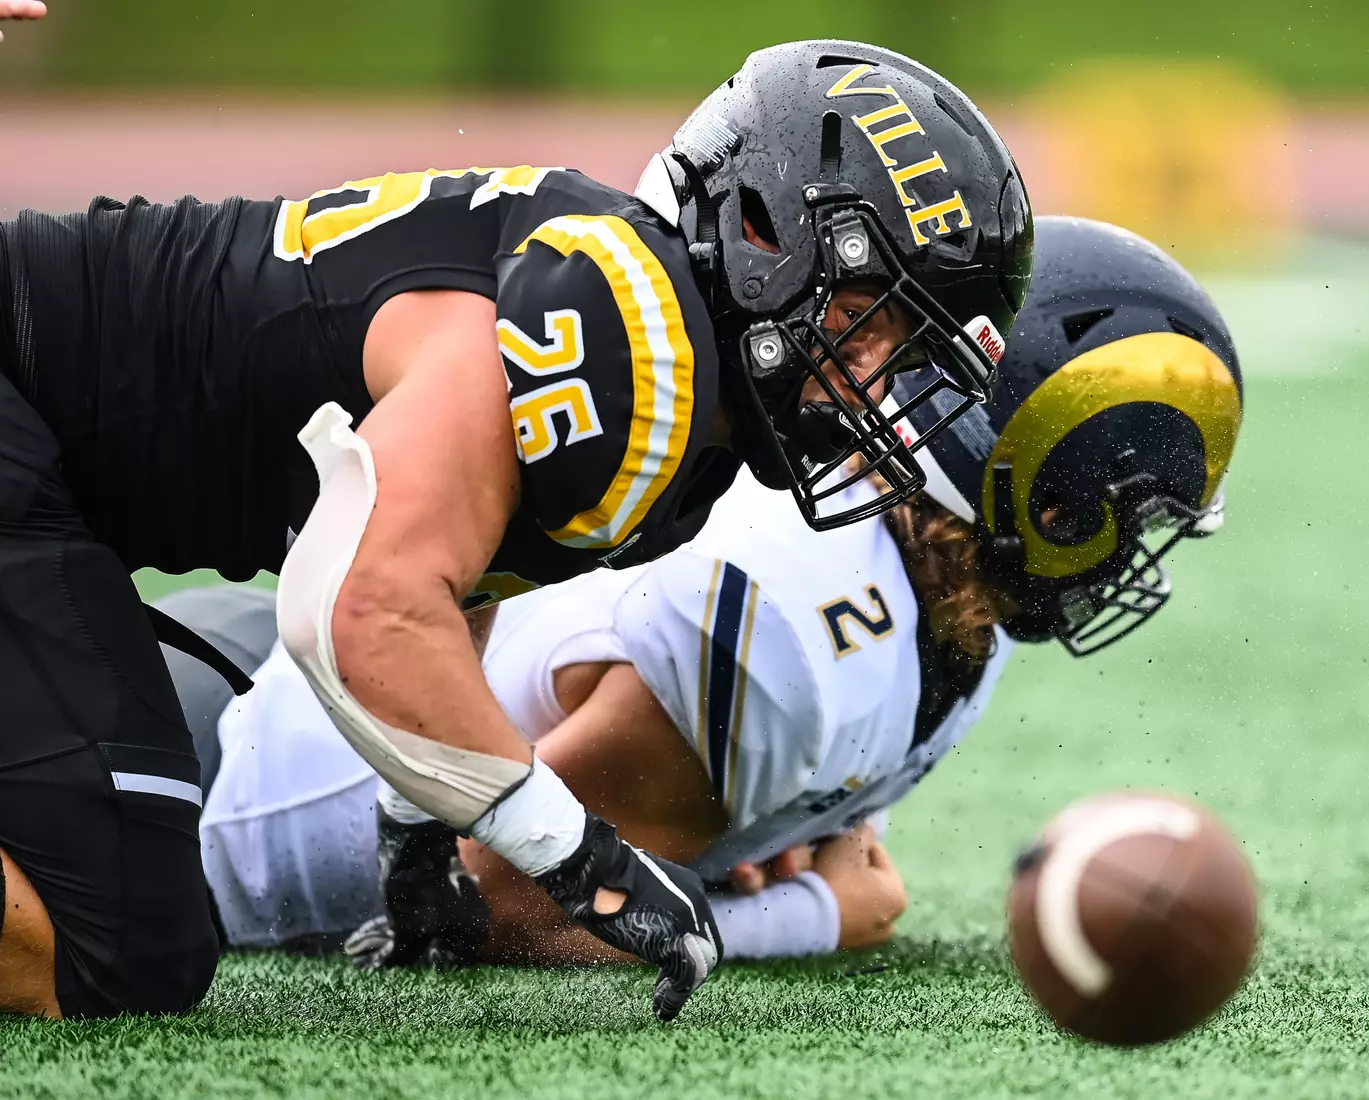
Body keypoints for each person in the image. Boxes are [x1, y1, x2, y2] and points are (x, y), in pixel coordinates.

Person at [0, 19, 1034, 1021]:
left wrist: (417, 829)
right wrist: (577, 855)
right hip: (22, 405)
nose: (871, 384)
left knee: (117, 899)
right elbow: (361, 605)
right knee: (116, 946)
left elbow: (458, 576)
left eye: (901, 351)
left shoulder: (679, 404)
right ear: (764, 238)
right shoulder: (629, 335)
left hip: (52, 469)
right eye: (865, 326)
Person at [159, 216, 1243, 968]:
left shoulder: (942, 586)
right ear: (1026, 477)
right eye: (1111, 515)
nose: (1124, 555)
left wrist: (719, 826)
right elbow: (477, 907)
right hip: (217, 775)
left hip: (281, 681)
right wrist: (812, 913)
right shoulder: (804, 626)